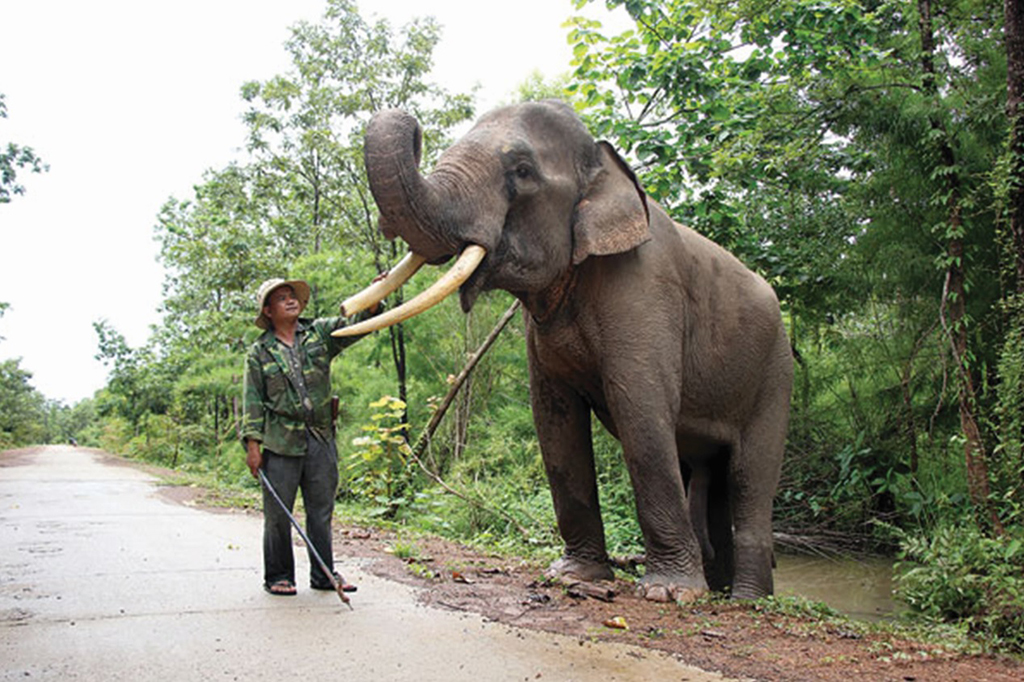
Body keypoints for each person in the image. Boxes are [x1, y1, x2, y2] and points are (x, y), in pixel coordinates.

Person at [240, 277, 380, 596]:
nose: (290, 301)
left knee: (320, 511)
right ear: (267, 310)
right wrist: (253, 446)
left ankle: (324, 574)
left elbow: (357, 324)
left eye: (293, 297)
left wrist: (374, 297)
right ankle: (278, 575)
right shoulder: (259, 352)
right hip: (279, 443)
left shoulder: (319, 332)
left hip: (320, 438)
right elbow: (252, 401)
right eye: (281, 298)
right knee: (278, 516)